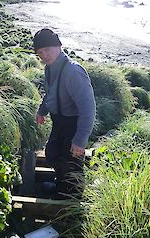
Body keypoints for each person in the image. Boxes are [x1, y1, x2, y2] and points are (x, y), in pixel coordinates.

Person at [33, 28, 96, 199]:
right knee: (53, 153)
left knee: (72, 161)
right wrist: (42, 110)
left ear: (58, 46)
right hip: (58, 120)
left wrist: (80, 139)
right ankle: (61, 185)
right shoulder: (50, 68)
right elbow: (51, 92)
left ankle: (72, 197)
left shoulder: (73, 71)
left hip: (74, 123)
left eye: (47, 49)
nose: (44, 55)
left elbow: (88, 109)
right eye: (40, 52)